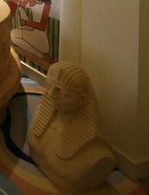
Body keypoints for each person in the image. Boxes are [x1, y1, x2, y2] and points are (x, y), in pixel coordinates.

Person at [28, 61, 116, 192]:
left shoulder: (97, 154)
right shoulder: (39, 114)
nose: (51, 94)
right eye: (50, 86)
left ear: (82, 99)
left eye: (61, 91)